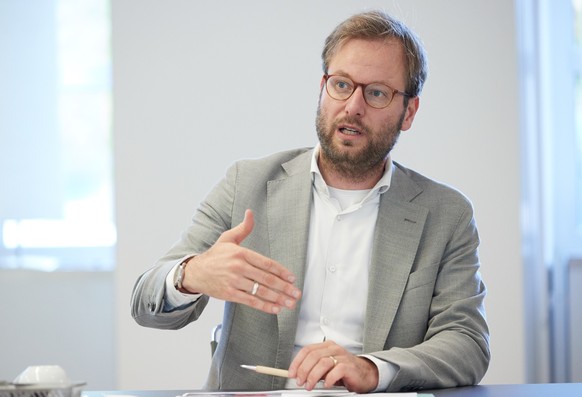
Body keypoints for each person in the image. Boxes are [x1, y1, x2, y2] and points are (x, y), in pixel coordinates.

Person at [131, 10, 490, 393]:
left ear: (409, 112)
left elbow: (467, 343)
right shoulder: (247, 183)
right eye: (341, 85)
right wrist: (193, 273)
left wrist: (372, 369)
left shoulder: (446, 214)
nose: (353, 106)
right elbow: (144, 302)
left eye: (377, 93)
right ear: (322, 88)